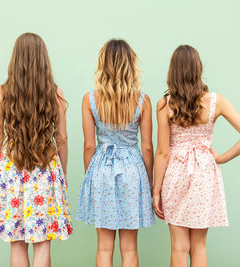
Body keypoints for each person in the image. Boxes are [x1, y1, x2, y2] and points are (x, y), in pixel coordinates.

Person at [153, 45, 240, 267]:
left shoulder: (164, 104)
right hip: (203, 172)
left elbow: (162, 151)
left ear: (173, 71)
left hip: (176, 172)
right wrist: (220, 158)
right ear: (198, 69)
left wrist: (156, 189)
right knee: (199, 247)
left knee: (179, 247)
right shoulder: (216, 101)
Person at [0, 33, 73, 267]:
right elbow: (61, 138)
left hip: (12, 170)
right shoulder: (55, 94)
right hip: (45, 169)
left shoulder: (0, 94)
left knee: (17, 242)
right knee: (43, 242)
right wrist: (62, 172)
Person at [76, 39, 155, 267]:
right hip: (132, 171)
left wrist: (90, 176)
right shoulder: (143, 101)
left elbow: (89, 145)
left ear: (103, 64)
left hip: (102, 169)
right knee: (129, 248)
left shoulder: (90, 99)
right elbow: (147, 146)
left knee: (103, 247)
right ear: (131, 65)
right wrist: (148, 182)